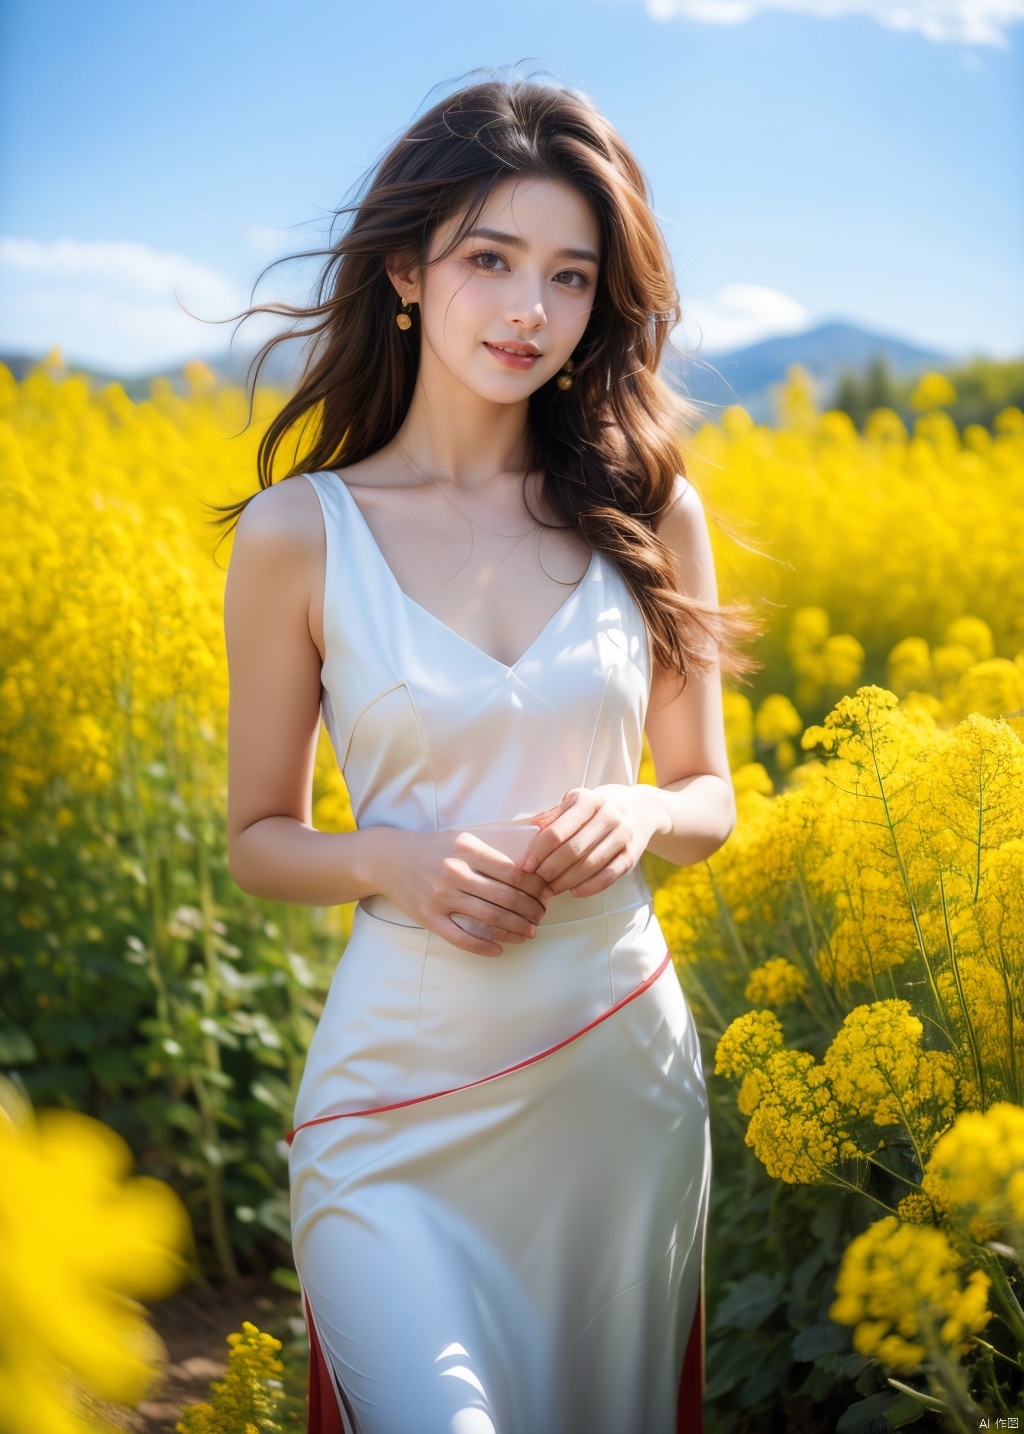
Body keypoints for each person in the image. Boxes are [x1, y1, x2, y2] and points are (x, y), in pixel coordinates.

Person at [221, 76, 759, 1434]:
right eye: (490, 261)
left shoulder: (649, 512)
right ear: (406, 272)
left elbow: (711, 799)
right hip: (397, 1105)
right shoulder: (300, 532)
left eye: (572, 278)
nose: (532, 310)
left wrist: (642, 812)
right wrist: (392, 858)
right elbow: (257, 842)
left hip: (617, 1086)